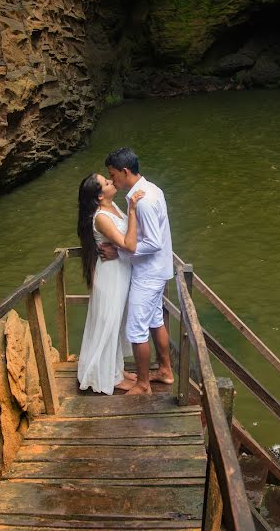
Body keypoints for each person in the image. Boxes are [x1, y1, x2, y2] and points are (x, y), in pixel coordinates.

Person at [99, 147, 174, 395]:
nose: (112, 179)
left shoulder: (143, 201)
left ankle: (142, 385)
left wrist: (119, 252)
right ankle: (164, 371)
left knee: (136, 328)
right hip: (156, 269)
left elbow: (153, 242)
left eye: (112, 174)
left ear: (125, 171)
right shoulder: (150, 190)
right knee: (154, 321)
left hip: (149, 273)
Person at [76, 172, 146, 394]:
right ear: (99, 197)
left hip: (120, 271)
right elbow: (129, 244)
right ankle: (111, 378)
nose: (110, 181)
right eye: (106, 183)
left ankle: (116, 368)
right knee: (109, 322)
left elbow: (122, 245)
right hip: (110, 276)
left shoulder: (112, 206)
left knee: (117, 322)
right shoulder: (101, 218)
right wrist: (133, 210)